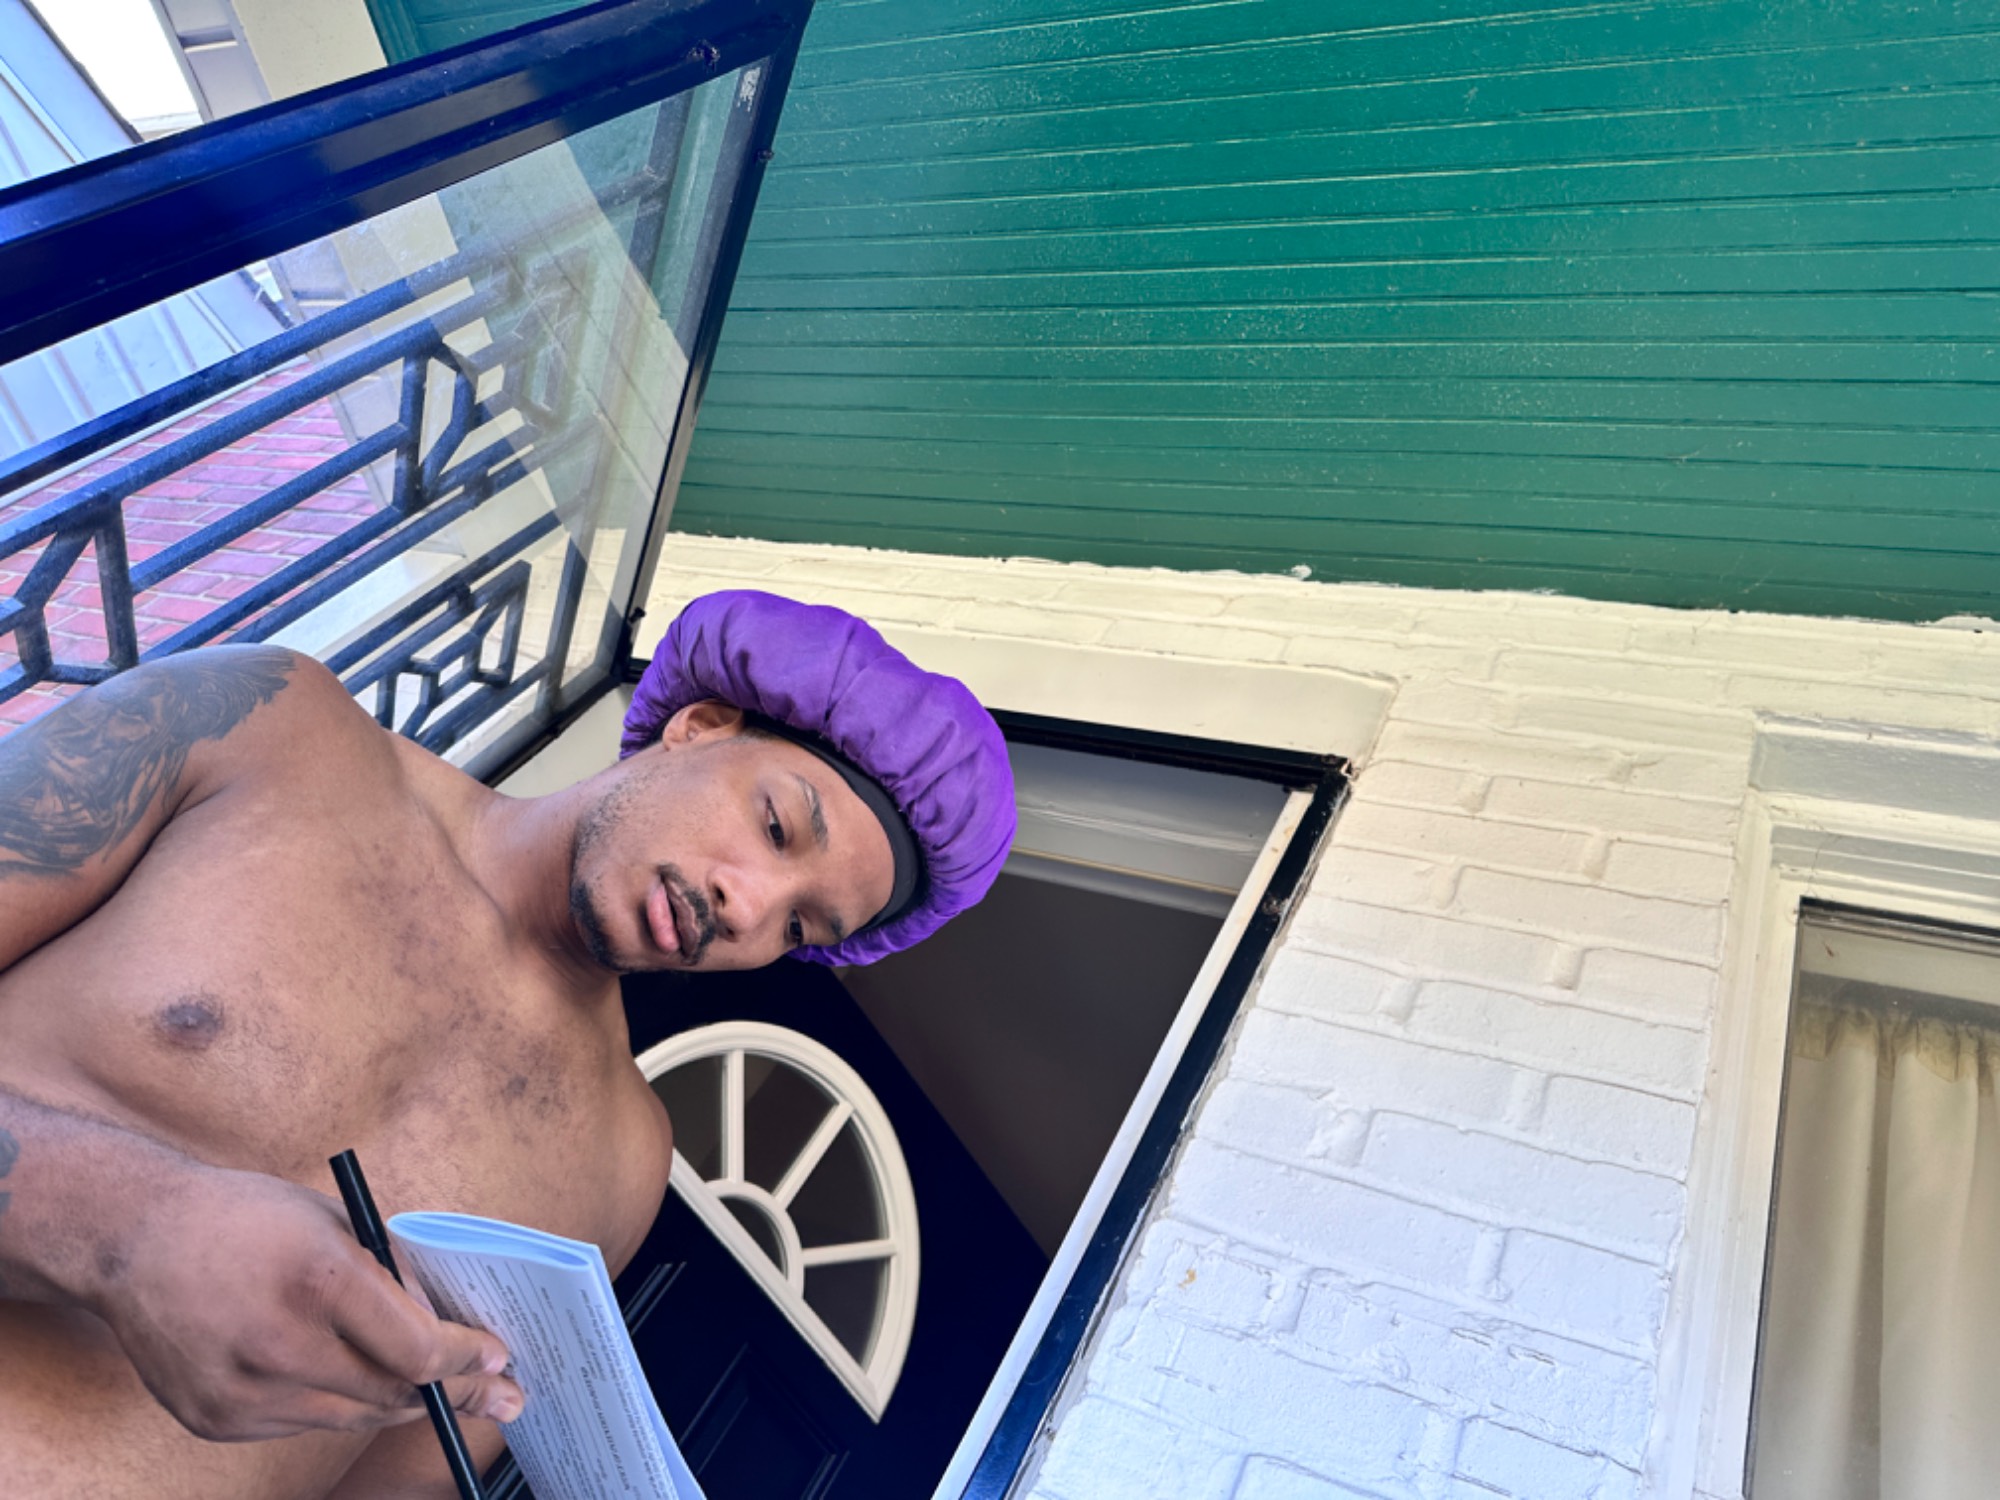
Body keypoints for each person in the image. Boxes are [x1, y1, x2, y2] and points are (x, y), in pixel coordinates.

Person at [0, 589, 1014, 1499]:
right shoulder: (267, 727)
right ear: (699, 726)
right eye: (777, 827)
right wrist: (126, 1228)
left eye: (799, 927)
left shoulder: (624, 1160)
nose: (747, 908)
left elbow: (406, 1466)